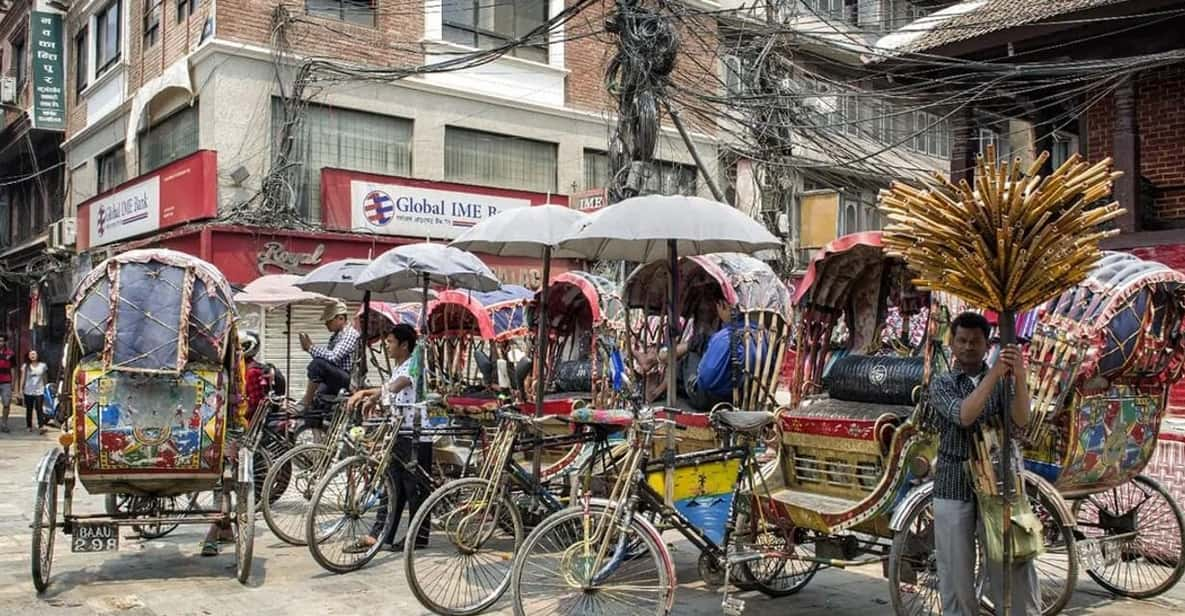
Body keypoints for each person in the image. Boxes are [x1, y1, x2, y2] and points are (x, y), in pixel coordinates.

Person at [930, 311, 1038, 616]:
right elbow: (964, 415)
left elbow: (1020, 420)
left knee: (1013, 560)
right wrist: (995, 374)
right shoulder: (943, 383)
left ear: (986, 343)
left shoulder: (1004, 380)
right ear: (951, 344)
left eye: (975, 342)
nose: (967, 347)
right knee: (956, 571)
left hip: (997, 481)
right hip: (954, 483)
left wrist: (1017, 374)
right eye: (961, 341)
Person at [345, 324, 432, 552]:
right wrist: (368, 394)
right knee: (392, 486)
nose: (388, 346)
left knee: (414, 491)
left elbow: (396, 386)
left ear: (404, 344)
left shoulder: (415, 364)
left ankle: (418, 538)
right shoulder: (400, 366)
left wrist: (368, 394)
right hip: (399, 434)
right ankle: (381, 533)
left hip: (416, 436)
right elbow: (390, 388)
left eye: (391, 342)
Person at [298, 301, 359, 410]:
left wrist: (311, 348)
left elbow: (333, 357)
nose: (326, 323)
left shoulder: (350, 334)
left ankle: (306, 400)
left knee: (317, 364)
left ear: (340, 318)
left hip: (348, 380)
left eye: (329, 320)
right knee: (317, 399)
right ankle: (312, 420)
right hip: (337, 376)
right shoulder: (335, 337)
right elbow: (326, 361)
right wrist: (310, 349)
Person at [19, 350, 49, 434]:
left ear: (38, 355)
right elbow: (23, 378)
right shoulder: (25, 366)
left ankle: (41, 426)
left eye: (34, 354)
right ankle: (29, 426)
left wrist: (46, 387)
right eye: (31, 354)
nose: (33, 356)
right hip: (28, 391)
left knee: (39, 408)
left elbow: (45, 377)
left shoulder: (43, 366)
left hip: (39, 390)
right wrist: (21, 389)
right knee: (29, 409)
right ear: (28, 356)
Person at [0, 334, 15, 433]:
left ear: (5, 342)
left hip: (6, 381)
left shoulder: (10, 354)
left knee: (6, 403)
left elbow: (13, 368)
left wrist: (13, 383)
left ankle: (4, 424)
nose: (0, 343)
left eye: (1, 341)